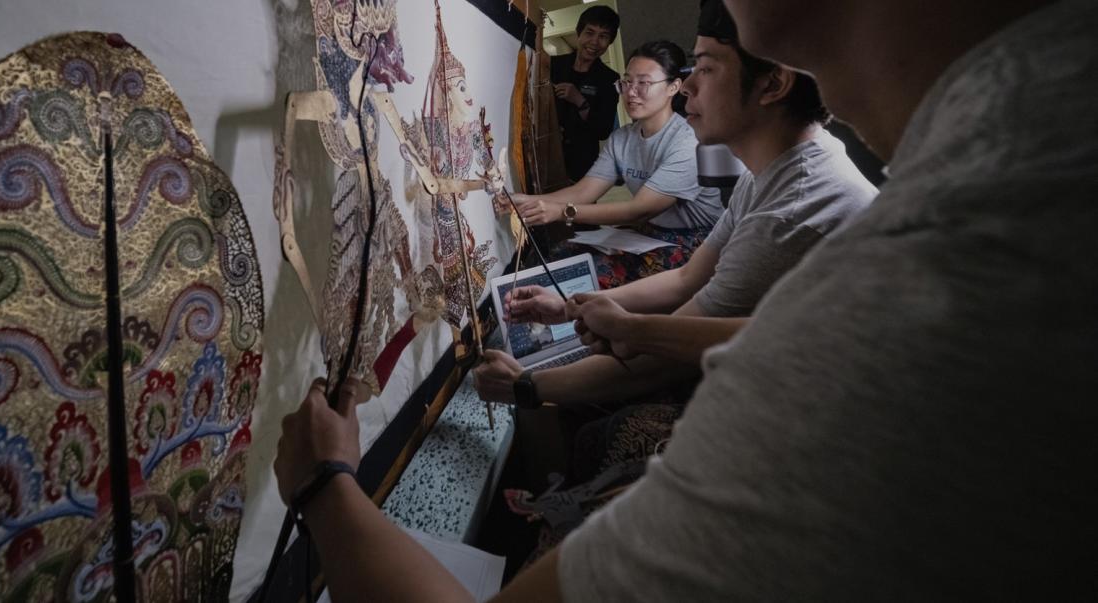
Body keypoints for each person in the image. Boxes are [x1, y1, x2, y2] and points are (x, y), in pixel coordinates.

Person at [274, 0, 1098, 599]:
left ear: (772, 83)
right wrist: (578, 302)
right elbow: (687, 280)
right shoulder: (992, 171)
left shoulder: (943, 273)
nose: (675, 92)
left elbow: (668, 291)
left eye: (697, 73)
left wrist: (326, 486)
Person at [475, 25, 876, 420]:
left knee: (615, 433)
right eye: (627, 82)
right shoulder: (765, 174)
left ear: (773, 85)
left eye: (704, 69)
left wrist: (528, 386)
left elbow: (671, 354)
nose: (687, 88)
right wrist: (567, 308)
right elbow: (688, 279)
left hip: (832, 410)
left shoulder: (790, 207)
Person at [517, 39, 724, 286]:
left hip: (697, 241)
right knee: (564, 254)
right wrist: (526, 202)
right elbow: (584, 191)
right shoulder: (622, 139)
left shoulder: (687, 141)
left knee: (596, 273)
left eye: (644, 83)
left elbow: (639, 210)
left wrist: (561, 212)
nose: (631, 92)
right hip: (650, 234)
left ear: (673, 87)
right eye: (626, 82)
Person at [549, 5, 621, 181]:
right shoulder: (553, 66)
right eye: (589, 32)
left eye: (603, 36)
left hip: (582, 165)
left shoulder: (609, 79)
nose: (595, 42)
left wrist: (580, 101)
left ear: (610, 42)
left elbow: (603, 130)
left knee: (579, 208)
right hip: (547, 157)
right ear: (578, 33)